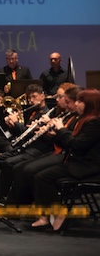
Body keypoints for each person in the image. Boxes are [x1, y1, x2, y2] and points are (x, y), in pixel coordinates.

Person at [31, 88, 100, 232]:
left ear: (89, 104)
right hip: (78, 163)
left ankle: (55, 214)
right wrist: (54, 135)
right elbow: (71, 143)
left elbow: (77, 145)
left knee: (42, 177)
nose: (77, 104)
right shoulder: (85, 120)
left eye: (80, 101)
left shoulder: (94, 122)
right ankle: (47, 216)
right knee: (41, 176)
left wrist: (61, 129)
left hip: (87, 167)